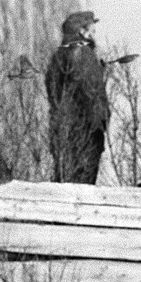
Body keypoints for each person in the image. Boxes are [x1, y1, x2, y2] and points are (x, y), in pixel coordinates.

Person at [45, 11, 110, 184]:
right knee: (82, 186)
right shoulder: (83, 54)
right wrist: (100, 123)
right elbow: (90, 94)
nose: (94, 32)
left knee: (65, 181)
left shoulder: (58, 56)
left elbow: (55, 92)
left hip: (62, 130)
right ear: (82, 31)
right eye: (91, 28)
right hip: (84, 130)